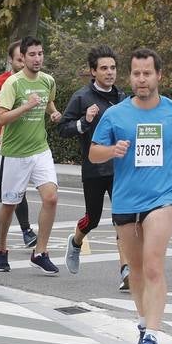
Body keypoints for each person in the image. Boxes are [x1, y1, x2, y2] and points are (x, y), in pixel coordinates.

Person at [89, 48, 172, 344]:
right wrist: (112, 150)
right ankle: (143, 320)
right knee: (135, 272)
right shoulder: (116, 114)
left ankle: (152, 335)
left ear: (159, 75)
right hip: (125, 199)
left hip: (162, 198)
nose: (141, 79)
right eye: (136, 73)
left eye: (147, 73)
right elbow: (93, 153)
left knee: (152, 265)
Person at [0, 36, 63, 275]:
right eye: (32, 54)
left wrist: (54, 113)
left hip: (40, 149)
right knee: (9, 205)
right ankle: (1, 248)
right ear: (22, 58)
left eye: (40, 53)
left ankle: (40, 252)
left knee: (51, 197)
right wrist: (26, 106)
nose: (37, 58)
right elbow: (0, 119)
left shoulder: (48, 80)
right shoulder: (13, 84)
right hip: (14, 153)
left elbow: (49, 103)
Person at [58, 45, 127, 283]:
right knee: (93, 218)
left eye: (113, 68)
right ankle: (76, 241)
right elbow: (63, 129)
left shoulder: (122, 97)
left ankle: (125, 270)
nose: (110, 72)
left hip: (119, 168)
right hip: (95, 169)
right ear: (93, 71)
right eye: (104, 68)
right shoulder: (81, 97)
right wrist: (83, 121)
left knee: (123, 218)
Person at [0, 40, 36, 247]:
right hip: (4, 139)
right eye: (19, 59)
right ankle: (27, 230)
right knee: (17, 188)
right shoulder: (1, 81)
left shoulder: (34, 82)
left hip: (27, 140)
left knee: (8, 186)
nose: (22, 63)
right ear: (11, 60)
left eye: (24, 58)